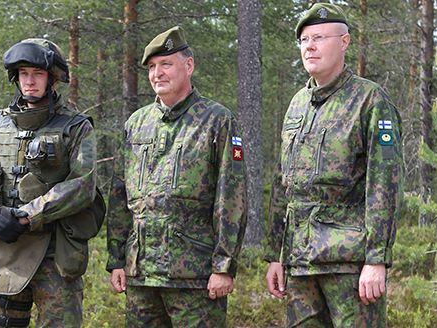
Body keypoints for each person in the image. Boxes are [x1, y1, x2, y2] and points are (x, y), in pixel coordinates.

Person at [264, 3, 403, 327]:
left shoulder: (370, 100)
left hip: (349, 264)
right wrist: (275, 255)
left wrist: (376, 259)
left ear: (344, 42)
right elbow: (284, 183)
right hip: (300, 263)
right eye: (304, 40)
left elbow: (385, 183)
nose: (309, 46)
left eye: (319, 38)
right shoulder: (297, 105)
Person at [106, 26, 247, 327]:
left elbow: (231, 198)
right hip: (142, 273)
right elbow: (120, 196)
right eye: (152, 67)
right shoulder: (136, 123)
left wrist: (223, 266)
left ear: (189, 65)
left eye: (166, 64)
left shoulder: (217, 120)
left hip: (194, 275)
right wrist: (116, 259)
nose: (157, 73)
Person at [0, 38, 101, 327]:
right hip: (4, 250)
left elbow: (82, 185)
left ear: (52, 78)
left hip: (55, 255)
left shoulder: (75, 127)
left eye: (37, 74)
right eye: (24, 74)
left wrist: (27, 216)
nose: (29, 81)